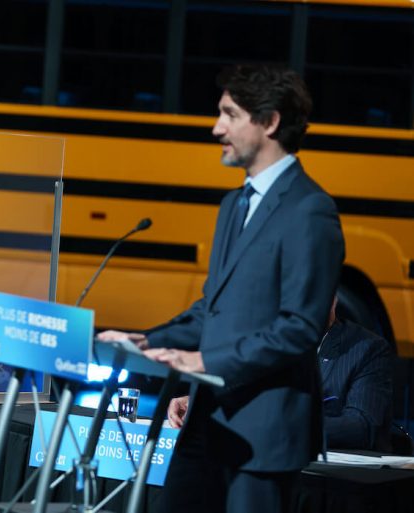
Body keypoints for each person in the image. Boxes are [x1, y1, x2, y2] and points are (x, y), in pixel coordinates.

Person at [99, 64, 345, 512]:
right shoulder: (234, 204)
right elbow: (212, 308)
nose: (217, 128)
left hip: (263, 436)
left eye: (230, 114)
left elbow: (299, 329)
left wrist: (206, 359)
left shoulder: (311, 210)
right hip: (206, 420)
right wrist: (148, 340)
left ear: (269, 122)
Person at [321, 296, 393, 452]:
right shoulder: (268, 346)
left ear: (333, 299)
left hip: (333, 469)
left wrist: (295, 428)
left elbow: (361, 427)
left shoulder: (366, 349)